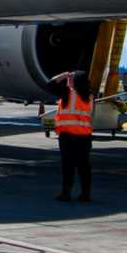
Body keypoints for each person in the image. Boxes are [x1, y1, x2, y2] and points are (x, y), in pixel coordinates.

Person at [52, 69, 94, 202]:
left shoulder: (68, 94)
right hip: (84, 136)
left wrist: (63, 75)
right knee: (84, 166)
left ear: (74, 82)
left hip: (68, 136)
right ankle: (85, 193)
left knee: (68, 165)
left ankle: (66, 192)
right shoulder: (90, 97)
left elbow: (50, 84)